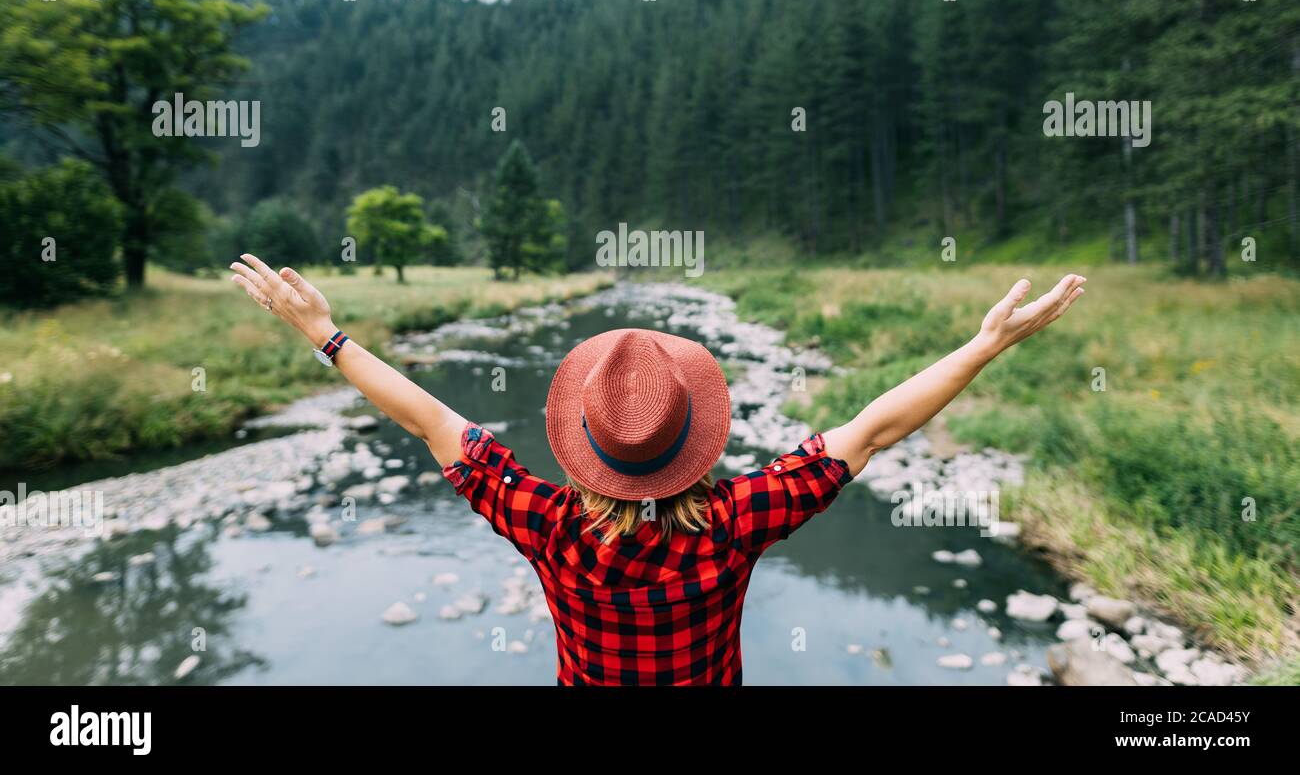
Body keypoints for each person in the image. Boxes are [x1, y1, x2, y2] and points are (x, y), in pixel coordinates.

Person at [230, 253, 1084, 684]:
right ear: (695, 441)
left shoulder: (545, 523)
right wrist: (984, 345)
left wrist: (324, 334)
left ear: (584, 446)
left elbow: (425, 418)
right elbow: (873, 431)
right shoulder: (741, 519)